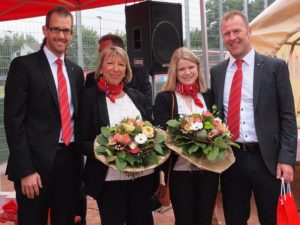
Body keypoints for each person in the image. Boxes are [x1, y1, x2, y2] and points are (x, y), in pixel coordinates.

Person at [210, 10, 297, 225]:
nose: (232, 37)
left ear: (249, 31)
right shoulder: (218, 72)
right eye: (226, 33)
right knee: (234, 217)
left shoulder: (274, 67)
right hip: (232, 159)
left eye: (236, 31)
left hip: (267, 159)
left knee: (271, 218)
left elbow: (287, 116)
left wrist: (286, 158)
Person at [4, 6, 84, 225]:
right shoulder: (23, 66)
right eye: (55, 29)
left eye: (66, 31)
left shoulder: (76, 72)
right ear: (45, 30)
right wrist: (26, 170)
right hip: (35, 167)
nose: (61, 35)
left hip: (69, 162)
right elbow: (13, 122)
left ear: (72, 34)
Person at [78, 46, 156, 225]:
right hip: (109, 181)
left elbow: (152, 132)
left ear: (126, 70)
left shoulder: (137, 97)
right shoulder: (90, 98)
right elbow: (82, 141)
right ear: (101, 68)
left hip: (141, 178)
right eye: (110, 63)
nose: (115, 68)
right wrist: (111, 152)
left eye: (121, 64)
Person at [154, 47, 219, 225]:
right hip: (179, 172)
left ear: (197, 68)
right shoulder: (165, 98)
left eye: (191, 67)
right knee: (184, 219)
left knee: (205, 219)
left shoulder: (208, 95)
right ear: (174, 71)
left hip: (208, 171)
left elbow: (219, 125)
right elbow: (162, 133)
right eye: (181, 69)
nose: (187, 72)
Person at [84, 33, 152, 104]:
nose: (100, 55)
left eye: (104, 51)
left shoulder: (140, 76)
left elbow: (147, 108)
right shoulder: (92, 79)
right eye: (99, 52)